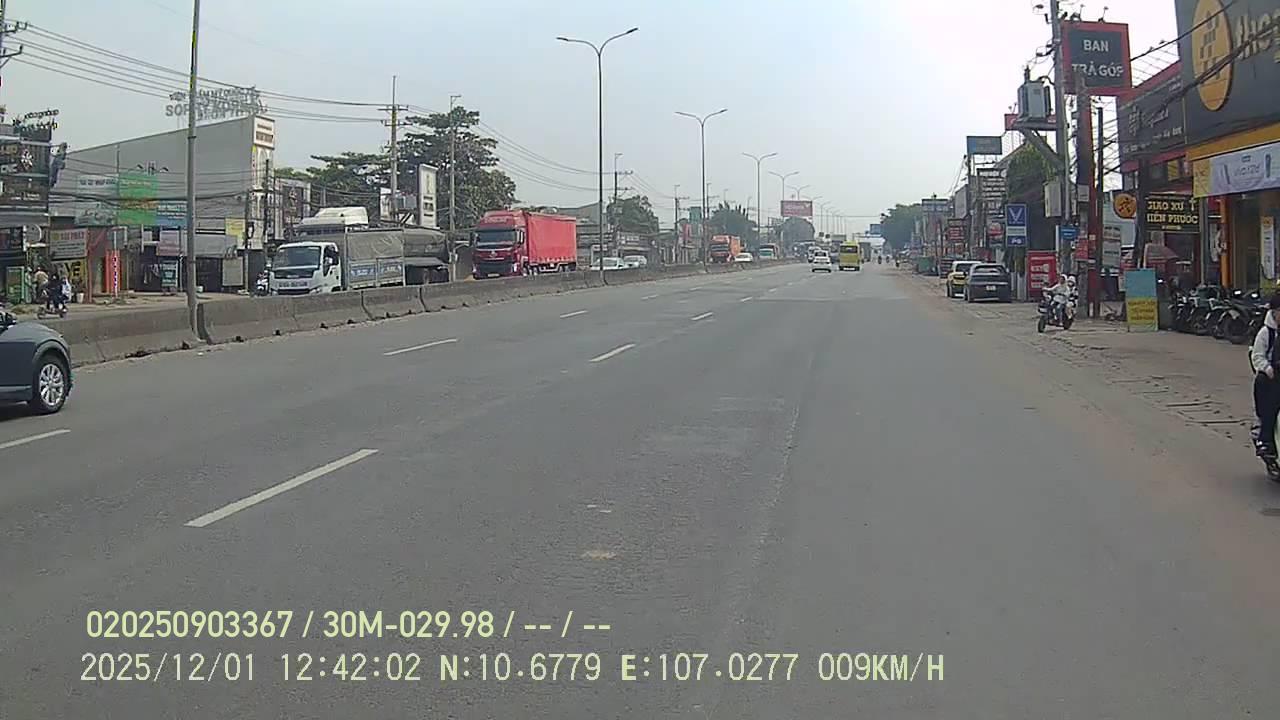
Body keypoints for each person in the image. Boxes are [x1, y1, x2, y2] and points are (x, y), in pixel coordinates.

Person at [1250, 292, 1280, 458]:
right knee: (1271, 404)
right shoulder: (1266, 333)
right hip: (1273, 375)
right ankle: (1265, 439)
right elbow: (1257, 356)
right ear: (1274, 312)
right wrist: (1268, 369)